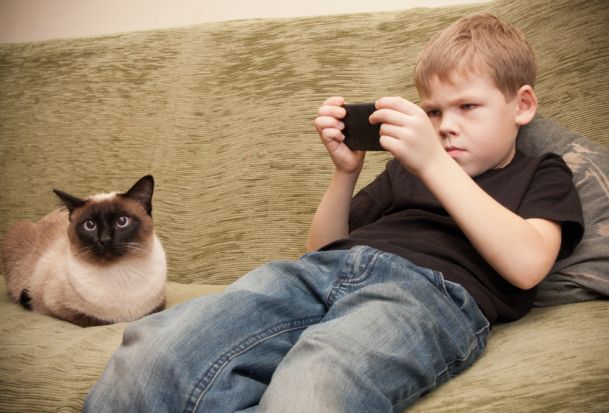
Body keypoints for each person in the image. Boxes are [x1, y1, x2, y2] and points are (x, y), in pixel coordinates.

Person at [83, 13, 583, 412]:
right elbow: (322, 248)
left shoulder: (543, 171)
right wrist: (345, 173)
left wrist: (433, 164)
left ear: (522, 105)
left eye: (467, 107)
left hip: (427, 295)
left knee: (314, 382)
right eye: (433, 111)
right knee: (157, 352)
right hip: (321, 273)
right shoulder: (404, 173)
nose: (445, 126)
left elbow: (527, 265)